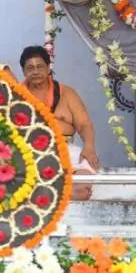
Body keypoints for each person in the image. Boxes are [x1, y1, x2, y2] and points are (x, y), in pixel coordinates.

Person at [19, 46, 99, 200]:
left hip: (65, 150)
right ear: (24, 72)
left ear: (48, 68)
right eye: (30, 68)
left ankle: (51, 192)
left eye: (40, 66)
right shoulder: (15, 96)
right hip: (28, 152)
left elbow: (84, 124)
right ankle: (59, 192)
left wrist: (89, 147)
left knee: (83, 183)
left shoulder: (66, 93)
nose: (35, 71)